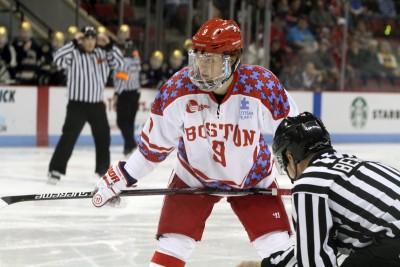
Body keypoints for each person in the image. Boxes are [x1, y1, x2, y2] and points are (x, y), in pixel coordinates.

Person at [92, 18, 299, 267]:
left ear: (233, 57)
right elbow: (152, 148)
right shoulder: (177, 89)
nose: (202, 68)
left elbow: (295, 138)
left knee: (282, 255)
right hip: (193, 176)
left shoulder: (261, 86)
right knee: (169, 251)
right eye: (199, 59)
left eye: (211, 60)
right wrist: (122, 176)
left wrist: (311, 178)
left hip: (252, 176)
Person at [238, 111, 400, 267]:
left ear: (290, 157)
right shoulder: (358, 166)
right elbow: (312, 246)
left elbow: (313, 260)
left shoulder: (309, 184)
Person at [48, 26, 124, 184]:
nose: (90, 42)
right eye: (86, 39)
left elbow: (120, 64)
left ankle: (103, 169)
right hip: (77, 105)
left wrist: (110, 45)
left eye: (92, 39)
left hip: (96, 105)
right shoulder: (73, 53)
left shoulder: (102, 53)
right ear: (82, 40)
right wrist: (73, 42)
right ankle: (55, 169)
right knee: (69, 136)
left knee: (103, 136)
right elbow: (57, 59)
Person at [113, 40, 142, 156]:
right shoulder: (137, 61)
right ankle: (127, 148)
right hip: (135, 93)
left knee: (121, 121)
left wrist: (116, 93)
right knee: (129, 122)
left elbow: (122, 80)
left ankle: (131, 144)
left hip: (125, 93)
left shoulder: (123, 62)